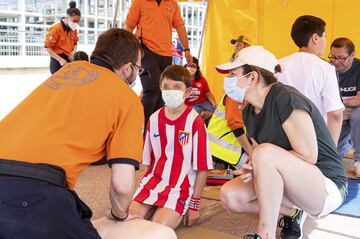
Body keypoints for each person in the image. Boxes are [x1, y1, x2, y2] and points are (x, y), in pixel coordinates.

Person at [0, 29, 175, 239]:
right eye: (138, 68)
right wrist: (119, 214)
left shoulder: (68, 71)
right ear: (128, 68)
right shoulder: (127, 100)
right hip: (34, 191)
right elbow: (122, 187)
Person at [217, 46, 348, 239]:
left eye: (233, 74)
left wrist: (259, 161)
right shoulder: (249, 111)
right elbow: (264, 158)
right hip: (290, 181)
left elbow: (309, 156)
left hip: (325, 185)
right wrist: (254, 166)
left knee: (263, 153)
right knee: (231, 195)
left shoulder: (286, 98)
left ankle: (264, 234)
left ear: (252, 78)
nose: (228, 80)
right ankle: (293, 213)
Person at [129, 65, 213, 229]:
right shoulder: (153, 119)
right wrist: (143, 190)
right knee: (128, 221)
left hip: (180, 187)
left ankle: (170, 209)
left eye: (176, 87)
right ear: (160, 88)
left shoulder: (194, 122)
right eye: (166, 87)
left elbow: (203, 168)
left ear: (187, 92)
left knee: (158, 229)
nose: (170, 91)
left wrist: (194, 204)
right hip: (154, 181)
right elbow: (148, 162)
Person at [276, 15, 344, 145]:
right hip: (314, 141)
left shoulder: (278, 64)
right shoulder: (325, 68)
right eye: (325, 36)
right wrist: (331, 150)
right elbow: (335, 114)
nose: (325, 41)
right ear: (315, 38)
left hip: (282, 139)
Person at [126, 0, 193, 126]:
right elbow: (129, 25)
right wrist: (131, 49)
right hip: (146, 49)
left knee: (163, 91)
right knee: (152, 90)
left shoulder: (172, 4)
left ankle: (155, 127)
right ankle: (141, 126)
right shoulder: (140, 2)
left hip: (166, 53)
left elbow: (180, 27)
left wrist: (187, 50)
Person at [330, 37, 360, 177]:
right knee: (332, 154)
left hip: (354, 111)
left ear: (352, 55)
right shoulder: (327, 68)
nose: (336, 62)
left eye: (341, 58)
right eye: (333, 57)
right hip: (336, 113)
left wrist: (337, 102)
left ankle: (359, 161)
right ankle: (346, 144)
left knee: (358, 115)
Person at [44, 1, 80, 74]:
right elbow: (47, 48)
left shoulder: (73, 28)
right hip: (57, 59)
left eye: (78, 21)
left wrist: (73, 52)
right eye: (74, 21)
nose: (76, 23)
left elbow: (75, 42)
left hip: (69, 58)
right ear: (67, 17)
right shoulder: (56, 28)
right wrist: (60, 60)